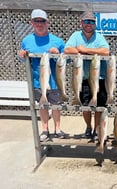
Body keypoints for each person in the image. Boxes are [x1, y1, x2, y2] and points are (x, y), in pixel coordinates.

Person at [19, 9, 66, 142]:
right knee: (42, 106)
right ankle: (45, 129)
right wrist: (21, 55)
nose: (39, 24)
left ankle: (58, 129)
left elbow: (64, 60)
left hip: (55, 81)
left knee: (56, 105)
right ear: (31, 22)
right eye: (36, 21)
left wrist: (57, 54)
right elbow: (23, 60)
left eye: (42, 21)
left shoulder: (57, 41)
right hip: (37, 81)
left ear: (47, 23)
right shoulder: (26, 40)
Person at [64, 11, 110, 139]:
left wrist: (84, 50)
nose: (89, 24)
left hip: (99, 79)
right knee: (85, 106)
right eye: (86, 21)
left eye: (91, 22)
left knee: (99, 106)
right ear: (81, 23)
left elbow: (106, 51)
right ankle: (88, 127)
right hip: (82, 79)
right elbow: (67, 49)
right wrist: (91, 52)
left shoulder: (99, 36)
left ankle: (97, 129)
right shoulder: (75, 35)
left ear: (95, 24)